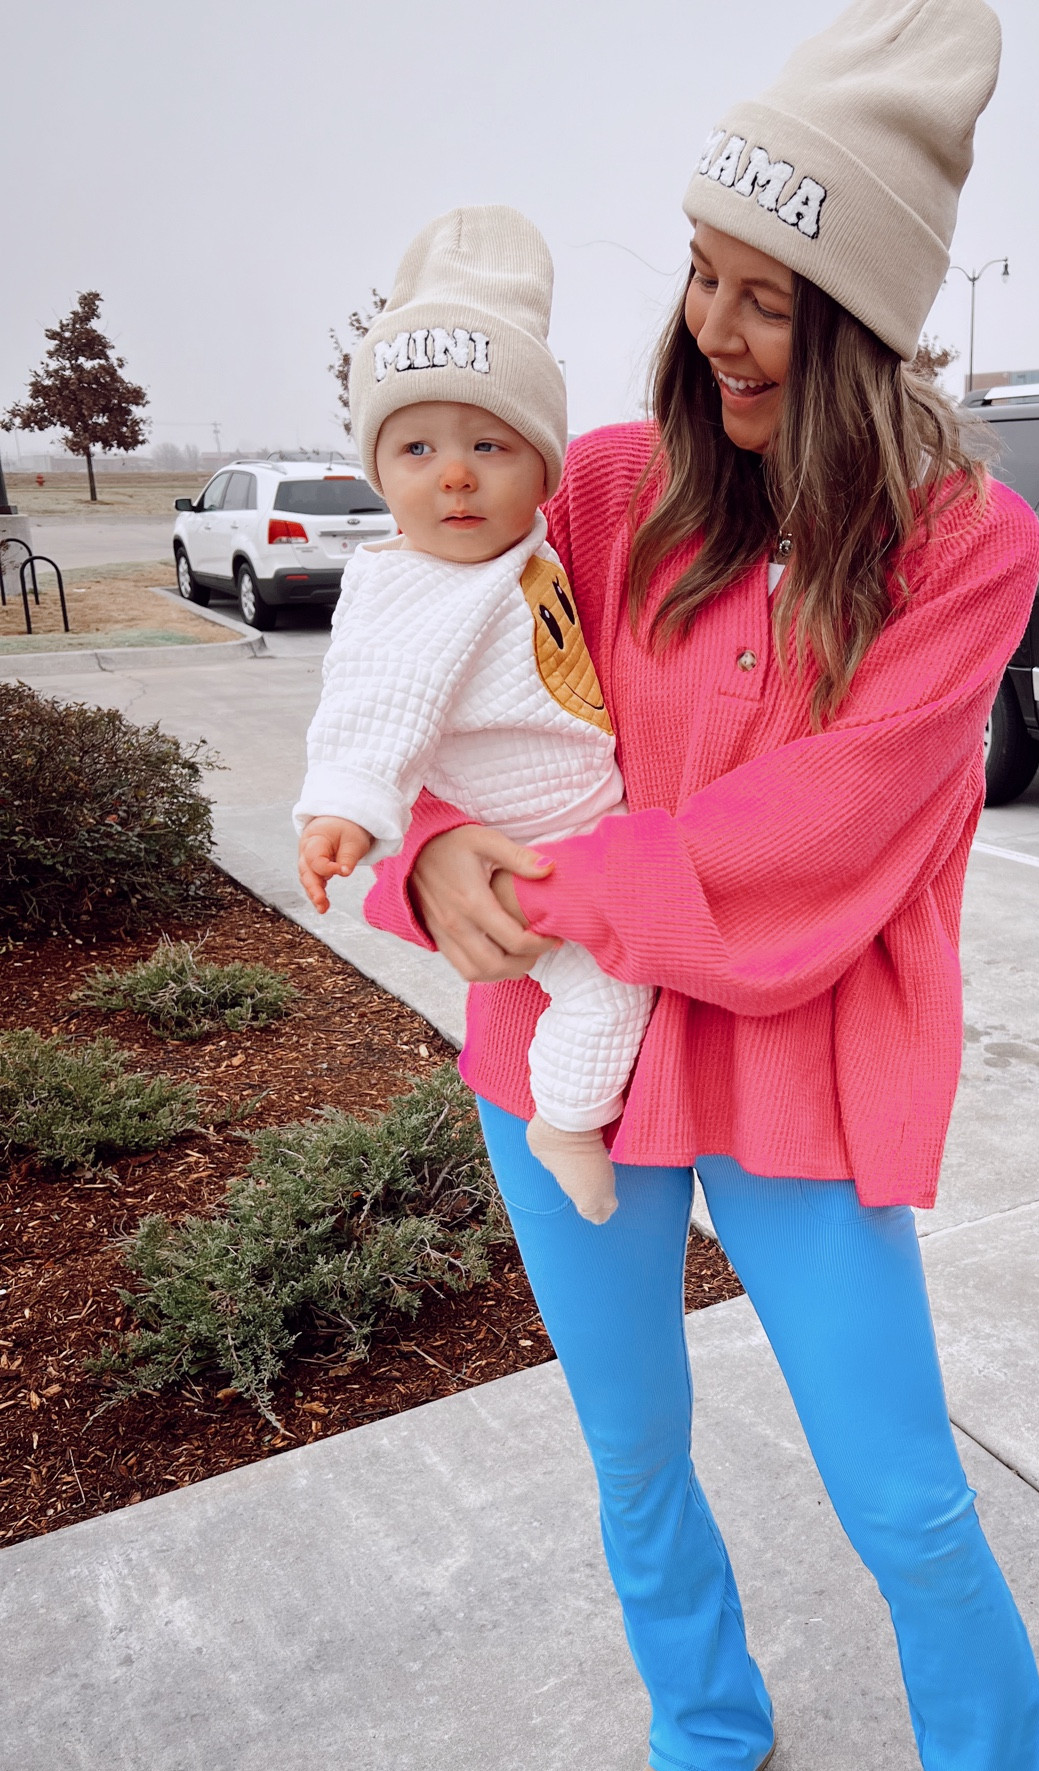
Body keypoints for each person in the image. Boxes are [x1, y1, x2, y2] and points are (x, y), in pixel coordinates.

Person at [367, 3, 1039, 1771]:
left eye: (772, 297)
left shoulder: (966, 544)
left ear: (872, 319)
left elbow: (832, 830)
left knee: (911, 1508)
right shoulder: (613, 488)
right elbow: (440, 670)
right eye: (704, 273)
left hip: (791, 1060)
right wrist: (430, 853)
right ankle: (709, 1721)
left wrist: (553, 890)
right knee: (634, 1448)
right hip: (568, 1053)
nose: (715, 324)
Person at [294, 206, 652, 1224]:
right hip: (536, 850)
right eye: (415, 448)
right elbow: (374, 704)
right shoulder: (419, 588)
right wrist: (348, 813)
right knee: (610, 988)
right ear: (378, 471)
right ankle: (568, 1120)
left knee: (612, 983)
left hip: (584, 817)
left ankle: (570, 1111)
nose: (454, 473)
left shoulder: (515, 550)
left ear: (545, 468)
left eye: (490, 443)